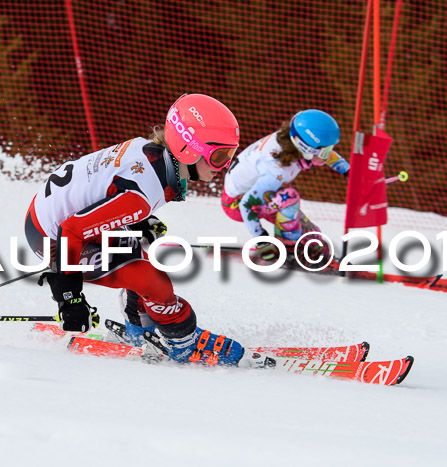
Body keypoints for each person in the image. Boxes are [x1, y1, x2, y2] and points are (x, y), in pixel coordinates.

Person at [24, 94, 266, 368]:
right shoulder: (143, 193)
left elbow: (107, 187)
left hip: (51, 220)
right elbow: (72, 229)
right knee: (153, 281)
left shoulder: (149, 151)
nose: (222, 167)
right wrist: (70, 299)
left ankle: (138, 326)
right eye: (220, 156)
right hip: (54, 239)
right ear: (189, 149)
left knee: (137, 253)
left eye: (229, 156)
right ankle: (182, 341)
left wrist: (136, 222)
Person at [221, 109, 350, 262]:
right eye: (325, 152)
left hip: (261, 195)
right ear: (306, 150)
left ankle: (296, 243)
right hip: (236, 205)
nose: (329, 155)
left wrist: (348, 171)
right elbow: (246, 206)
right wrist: (262, 241)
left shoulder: (291, 141)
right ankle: (288, 245)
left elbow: (325, 155)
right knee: (289, 196)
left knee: (315, 239)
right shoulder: (277, 171)